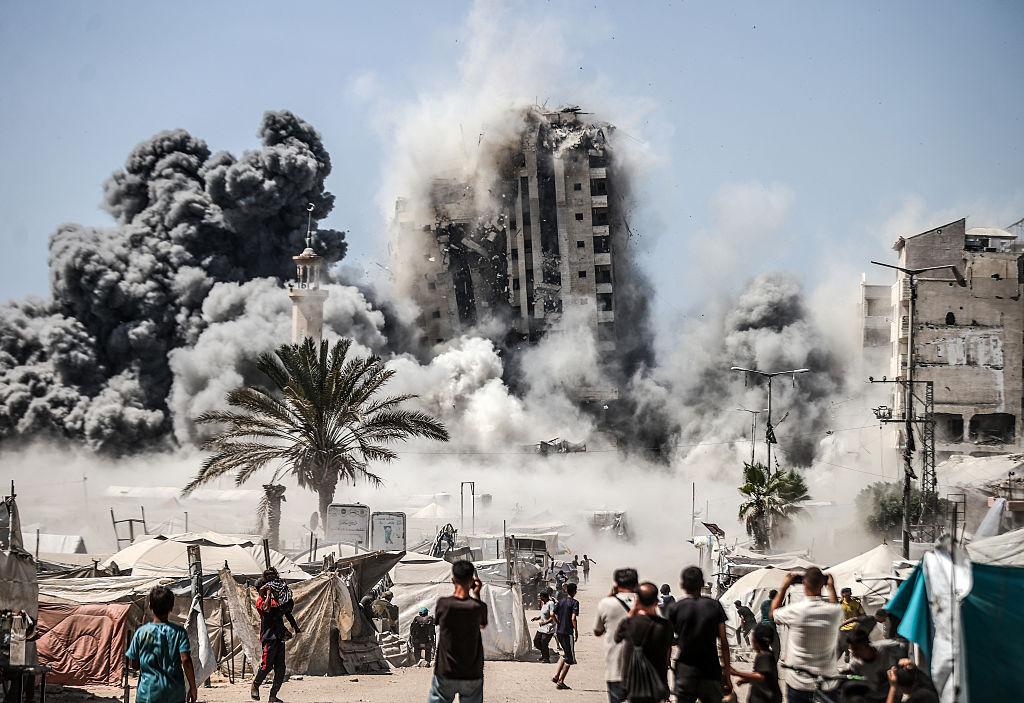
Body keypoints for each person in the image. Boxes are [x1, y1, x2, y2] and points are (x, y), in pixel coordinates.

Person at [770, 567, 842, 703]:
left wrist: (784, 587)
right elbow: (835, 605)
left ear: (804, 584)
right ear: (823, 584)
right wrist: (831, 588)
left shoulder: (795, 610)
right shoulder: (834, 612)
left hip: (798, 683)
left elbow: (772, 613)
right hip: (827, 682)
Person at [665, 566, 732, 703]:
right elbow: (724, 642)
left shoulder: (676, 608)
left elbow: (667, 641)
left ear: (682, 585)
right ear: (702, 583)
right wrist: (727, 672)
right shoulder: (715, 606)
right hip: (710, 669)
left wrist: (667, 664)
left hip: (685, 670)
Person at [429, 560, 488, 703]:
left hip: (446, 671)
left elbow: (439, 622)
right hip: (472, 673)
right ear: (472, 581)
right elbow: (482, 625)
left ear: (453, 579)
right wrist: (477, 594)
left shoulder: (443, 604)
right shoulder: (478, 607)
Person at [126, 586, 197, 703]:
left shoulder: (141, 632)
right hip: (174, 693)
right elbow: (186, 660)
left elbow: (135, 664)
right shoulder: (179, 632)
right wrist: (193, 687)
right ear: (171, 607)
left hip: (148, 693)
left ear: (150, 606)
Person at [613, 582, 674, 703]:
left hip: (633, 684)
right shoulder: (665, 626)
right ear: (656, 602)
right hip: (656, 683)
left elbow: (617, 637)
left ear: (637, 601)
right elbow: (668, 651)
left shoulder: (629, 623)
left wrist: (632, 611)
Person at [252, 570, 299, 702]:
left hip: (279, 637)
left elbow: (285, 611)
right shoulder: (260, 601)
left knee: (281, 668)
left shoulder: (276, 600)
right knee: (266, 665)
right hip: (269, 638)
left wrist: (293, 626)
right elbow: (266, 608)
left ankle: (273, 696)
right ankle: (255, 685)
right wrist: (268, 594)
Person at [593, 568, 639, 702]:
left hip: (615, 667)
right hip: (642, 670)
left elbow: (597, 631)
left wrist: (610, 594)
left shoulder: (606, 603)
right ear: (636, 583)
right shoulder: (647, 602)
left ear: (616, 584)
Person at [841, 628, 906, 701]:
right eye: (851, 650)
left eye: (855, 649)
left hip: (899, 689)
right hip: (879, 696)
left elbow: (906, 649)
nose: (853, 653)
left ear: (865, 645)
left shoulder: (887, 647)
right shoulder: (855, 665)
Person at [729, 623, 782, 703]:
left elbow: (760, 676)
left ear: (756, 641)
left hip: (765, 699)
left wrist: (737, 673)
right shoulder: (767, 654)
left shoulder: (764, 656)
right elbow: (765, 677)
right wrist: (746, 680)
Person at [552, 582, 580, 690]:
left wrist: (558, 622)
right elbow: (573, 618)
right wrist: (576, 631)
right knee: (570, 659)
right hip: (568, 633)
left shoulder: (561, 601)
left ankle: (556, 676)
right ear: (575, 592)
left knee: (565, 654)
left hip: (559, 632)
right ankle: (561, 681)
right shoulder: (575, 603)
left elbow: (552, 614)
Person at [837, 587, 867, 660]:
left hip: (854, 626)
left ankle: (856, 658)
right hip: (843, 627)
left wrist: (858, 620)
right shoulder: (839, 604)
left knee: (854, 643)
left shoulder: (856, 603)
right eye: (844, 592)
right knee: (843, 643)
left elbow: (863, 615)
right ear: (842, 594)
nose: (846, 594)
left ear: (850, 593)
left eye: (848, 592)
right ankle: (847, 652)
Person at [532, 592, 557, 663]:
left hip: (549, 627)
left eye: (540, 596)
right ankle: (544, 653)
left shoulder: (551, 603)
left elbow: (553, 616)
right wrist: (538, 618)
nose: (539, 598)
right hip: (542, 627)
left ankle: (546, 658)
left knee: (544, 642)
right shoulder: (544, 604)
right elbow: (544, 613)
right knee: (536, 641)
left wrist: (545, 622)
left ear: (544, 597)